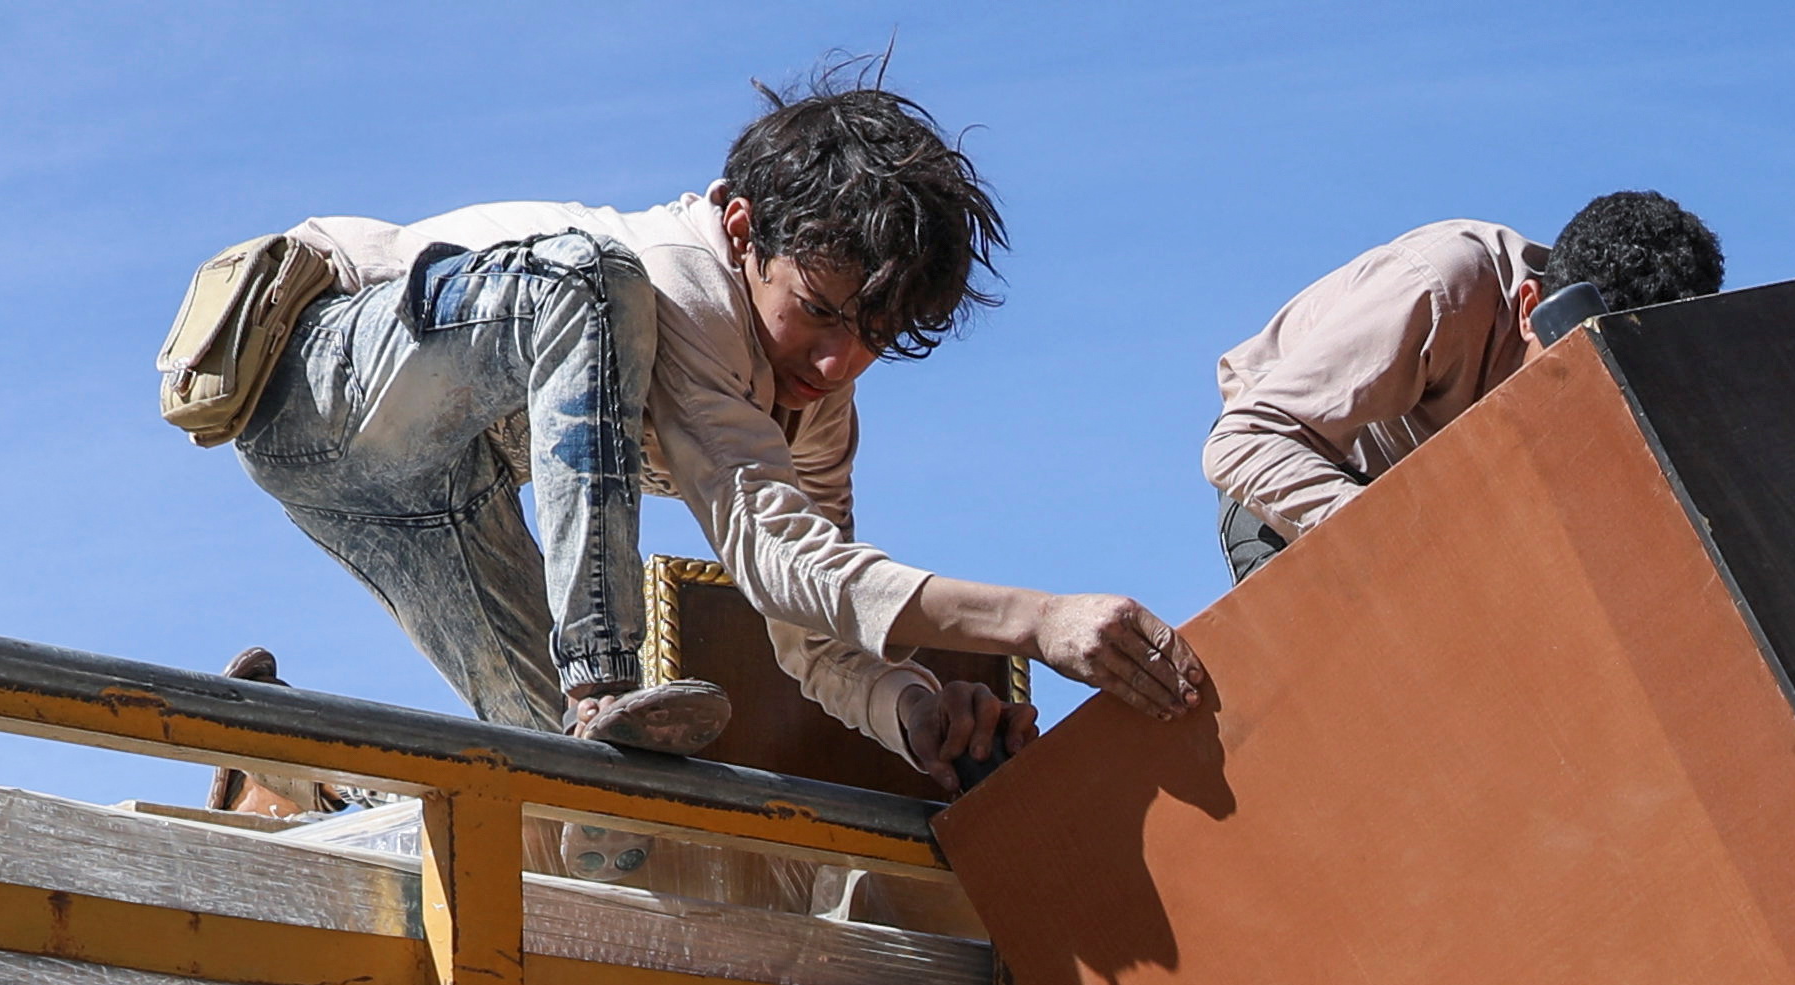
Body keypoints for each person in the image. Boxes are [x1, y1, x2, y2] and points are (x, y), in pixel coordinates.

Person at [218, 65, 1201, 769]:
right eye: (819, 312)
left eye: (875, 334)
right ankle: (602, 677)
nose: (837, 362)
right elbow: (778, 559)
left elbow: (812, 612)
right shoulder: (685, 281)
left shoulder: (813, 405)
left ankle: (291, 786)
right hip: (321, 369)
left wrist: (920, 711)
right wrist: (1037, 620)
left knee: (583, 796)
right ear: (743, 230)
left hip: (425, 487)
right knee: (593, 282)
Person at [1202, 190, 1726, 577]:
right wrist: (1398, 542)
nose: (1578, 405)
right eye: (1571, 374)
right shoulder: (1439, 289)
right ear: (1530, 308)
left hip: (1439, 504)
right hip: (1301, 467)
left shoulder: (1657, 365)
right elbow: (1244, 442)